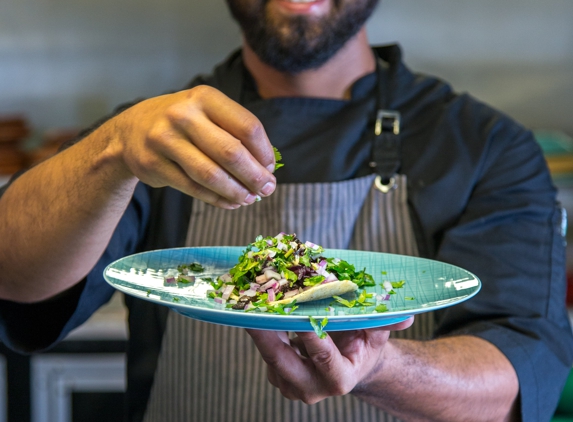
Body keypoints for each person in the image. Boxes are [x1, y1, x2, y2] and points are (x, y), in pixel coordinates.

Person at [0, 0, 572, 421]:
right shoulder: (150, 140)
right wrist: (110, 152)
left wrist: (376, 367)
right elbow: (14, 281)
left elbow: (513, 381)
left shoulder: (484, 144)